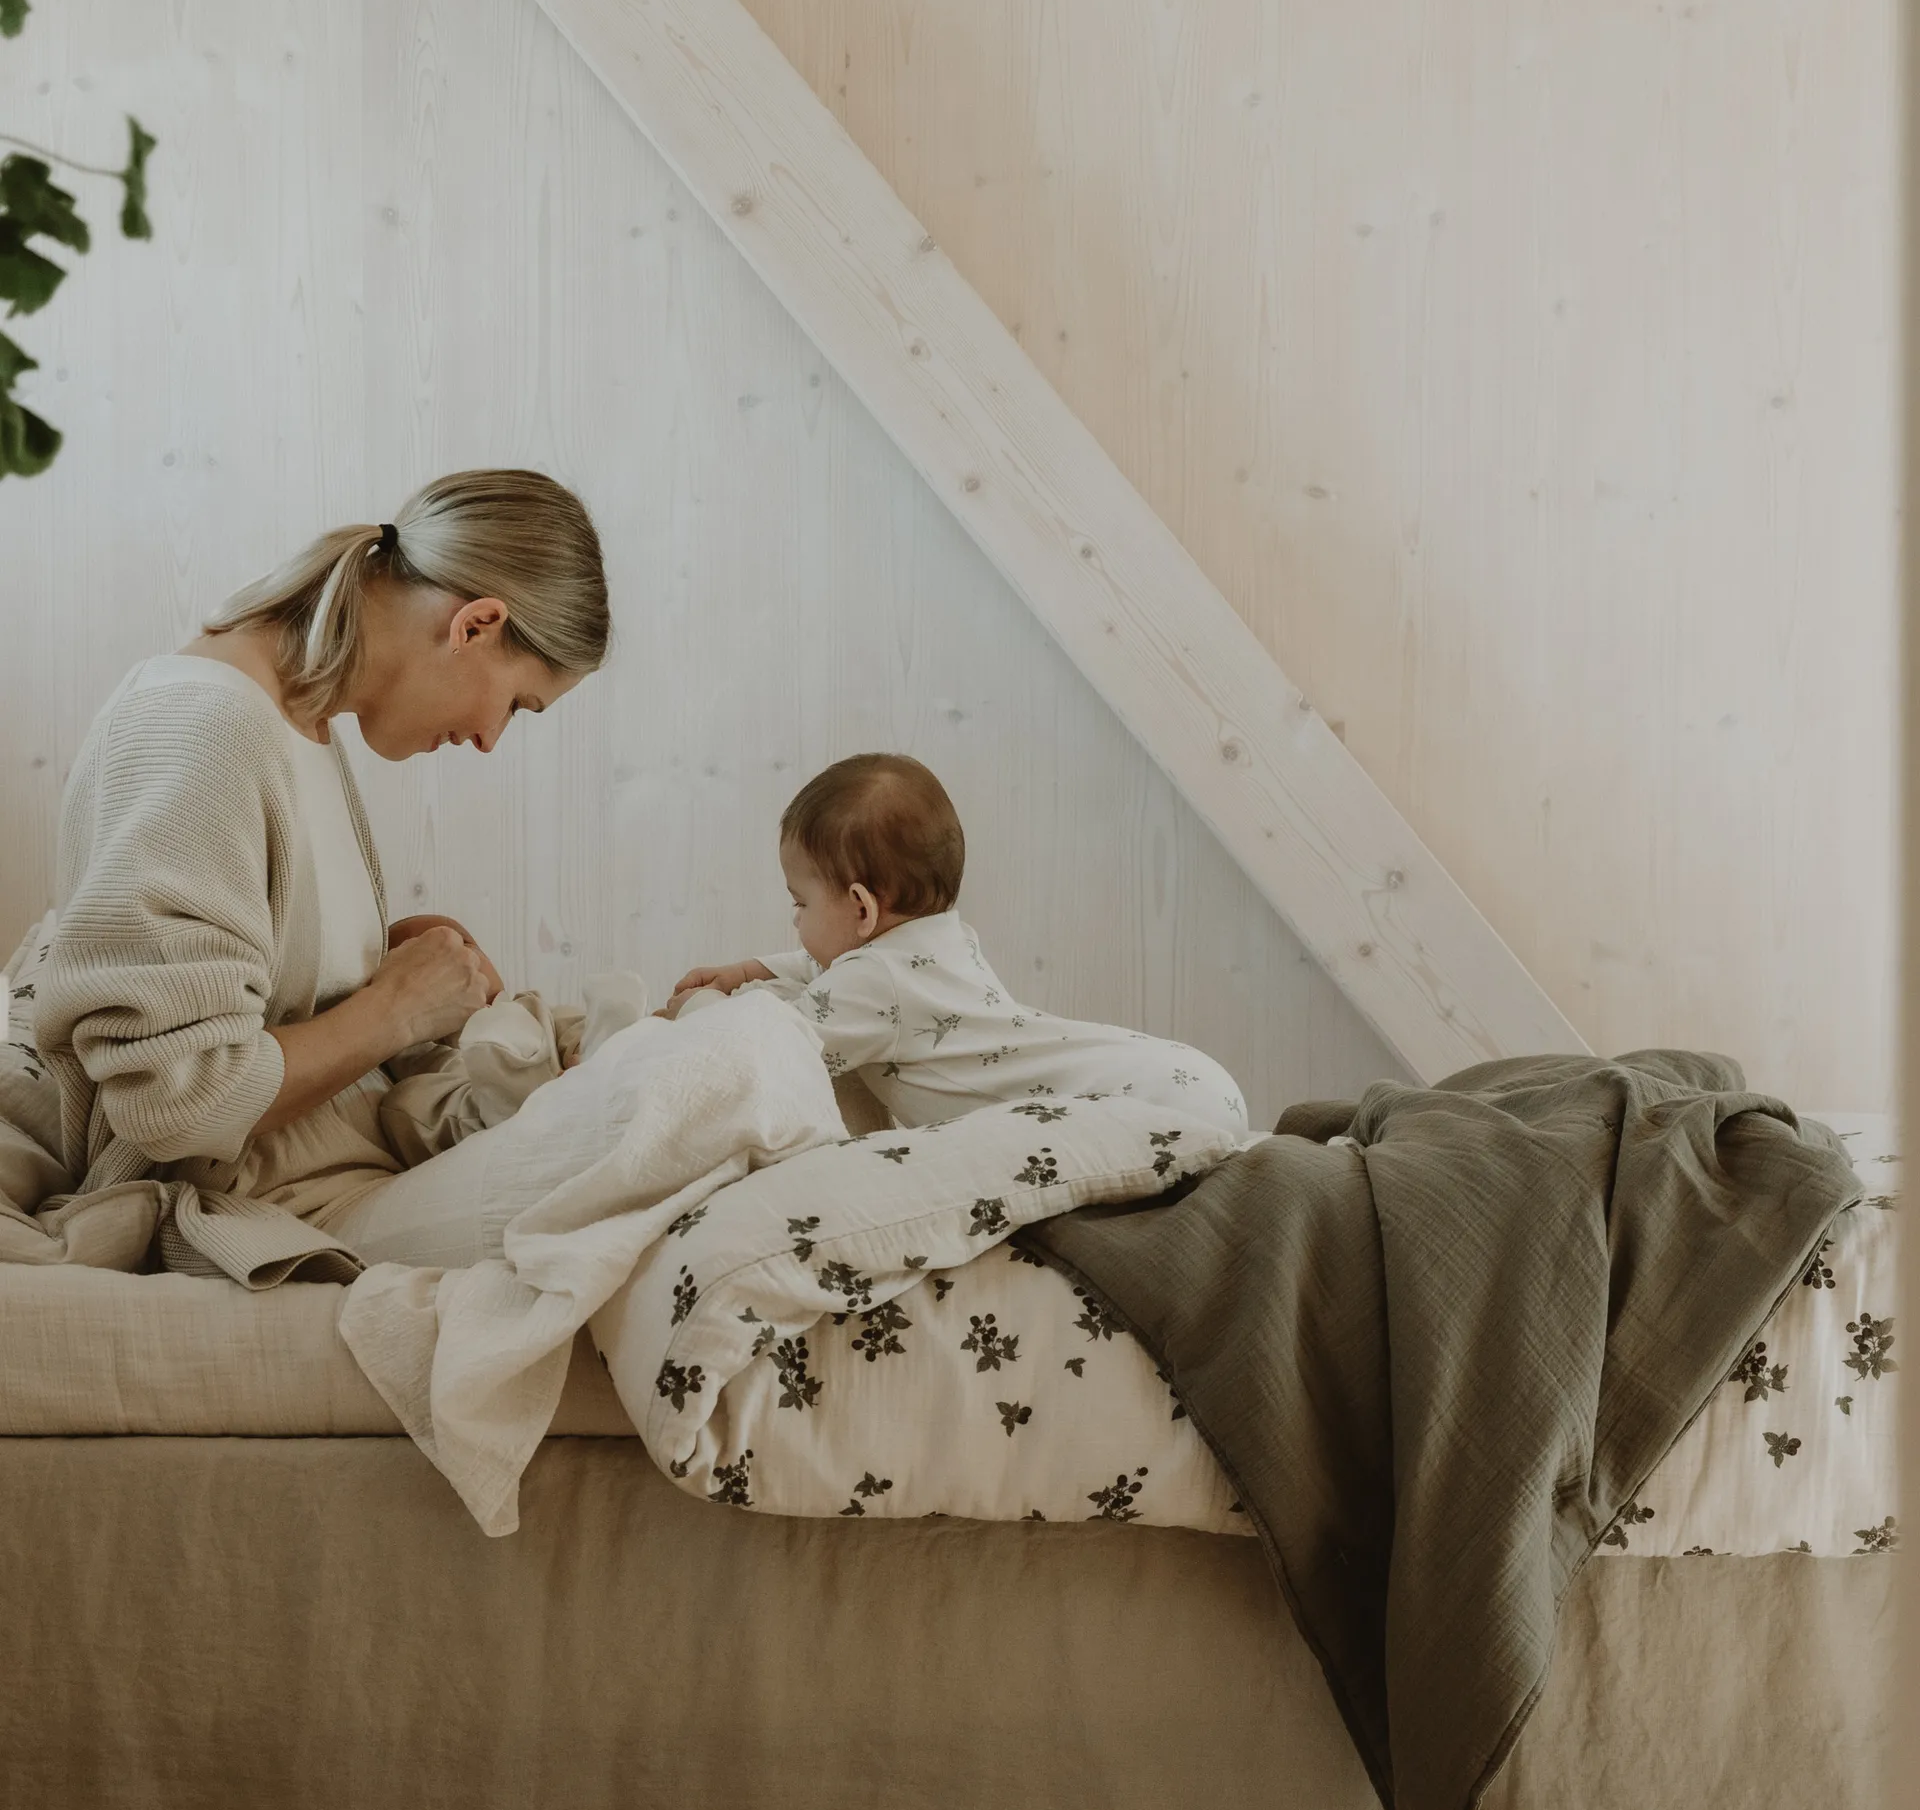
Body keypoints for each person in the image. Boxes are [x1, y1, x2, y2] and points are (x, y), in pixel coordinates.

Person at [32, 468, 610, 1283]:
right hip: (245, 1195)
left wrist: (384, 960)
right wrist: (393, 1010)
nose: (489, 739)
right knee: (639, 1168)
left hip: (319, 1160)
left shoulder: (298, 719)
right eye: (518, 705)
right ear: (478, 625)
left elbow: (250, 978)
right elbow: (173, 1101)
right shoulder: (205, 730)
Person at [673, 753, 1250, 1134]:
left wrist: (702, 1011)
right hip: (1176, 1076)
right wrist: (746, 969)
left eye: (800, 903)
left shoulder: (876, 985)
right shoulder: (939, 940)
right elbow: (828, 968)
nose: (794, 921)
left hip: (1139, 1105)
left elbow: (776, 1051)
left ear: (861, 907)